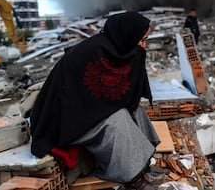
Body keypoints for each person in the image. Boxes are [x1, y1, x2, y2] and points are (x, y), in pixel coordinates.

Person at [29, 12, 160, 190]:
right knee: (117, 119)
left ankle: (141, 164)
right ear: (128, 35)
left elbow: (124, 95)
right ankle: (132, 177)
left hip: (88, 109)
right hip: (65, 121)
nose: (144, 46)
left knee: (135, 110)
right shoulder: (94, 52)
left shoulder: (115, 50)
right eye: (142, 40)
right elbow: (87, 96)